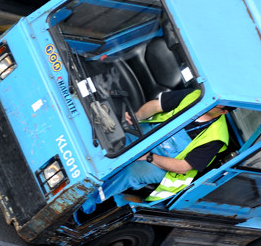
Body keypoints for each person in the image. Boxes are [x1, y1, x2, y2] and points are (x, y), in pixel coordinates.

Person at [77, 88, 231, 217]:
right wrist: (136, 117)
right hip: (149, 136)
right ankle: (80, 173)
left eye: (214, 104)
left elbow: (184, 166)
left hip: (166, 165)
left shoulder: (217, 137)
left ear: (223, 111)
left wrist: (150, 157)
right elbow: (157, 106)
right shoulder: (197, 95)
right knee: (114, 140)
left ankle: (88, 202)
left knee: (130, 172)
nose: (207, 103)